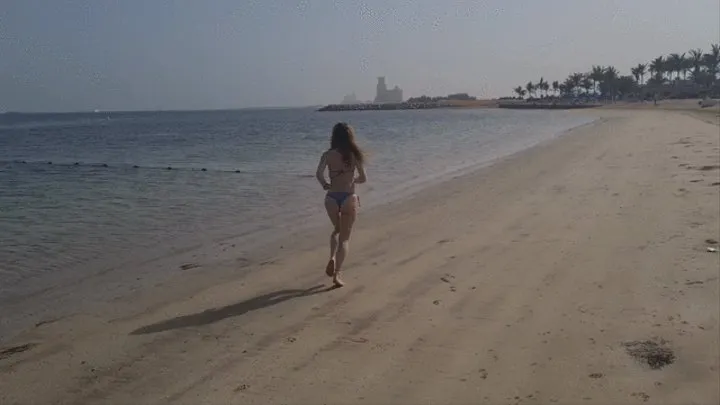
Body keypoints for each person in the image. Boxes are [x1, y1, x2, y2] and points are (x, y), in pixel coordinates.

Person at [315, 122, 367, 287]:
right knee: (344, 239)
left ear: (334, 137)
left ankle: (331, 257)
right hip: (348, 198)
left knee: (335, 232)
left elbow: (319, 174)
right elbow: (363, 178)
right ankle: (337, 275)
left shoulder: (327, 154)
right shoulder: (354, 155)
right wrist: (352, 181)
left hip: (331, 198)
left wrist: (325, 184)